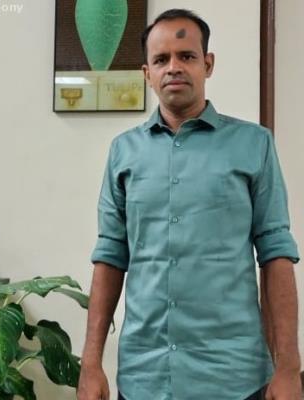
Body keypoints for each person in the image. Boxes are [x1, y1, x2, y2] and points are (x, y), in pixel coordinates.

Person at [77, 8, 301, 400]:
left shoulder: (254, 145)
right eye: (161, 59)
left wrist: (288, 367)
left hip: (234, 378)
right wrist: (91, 363)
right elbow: (110, 256)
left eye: (186, 56)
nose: (174, 68)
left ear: (207, 64)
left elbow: (276, 254)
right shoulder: (123, 153)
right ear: (147, 73)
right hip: (144, 378)